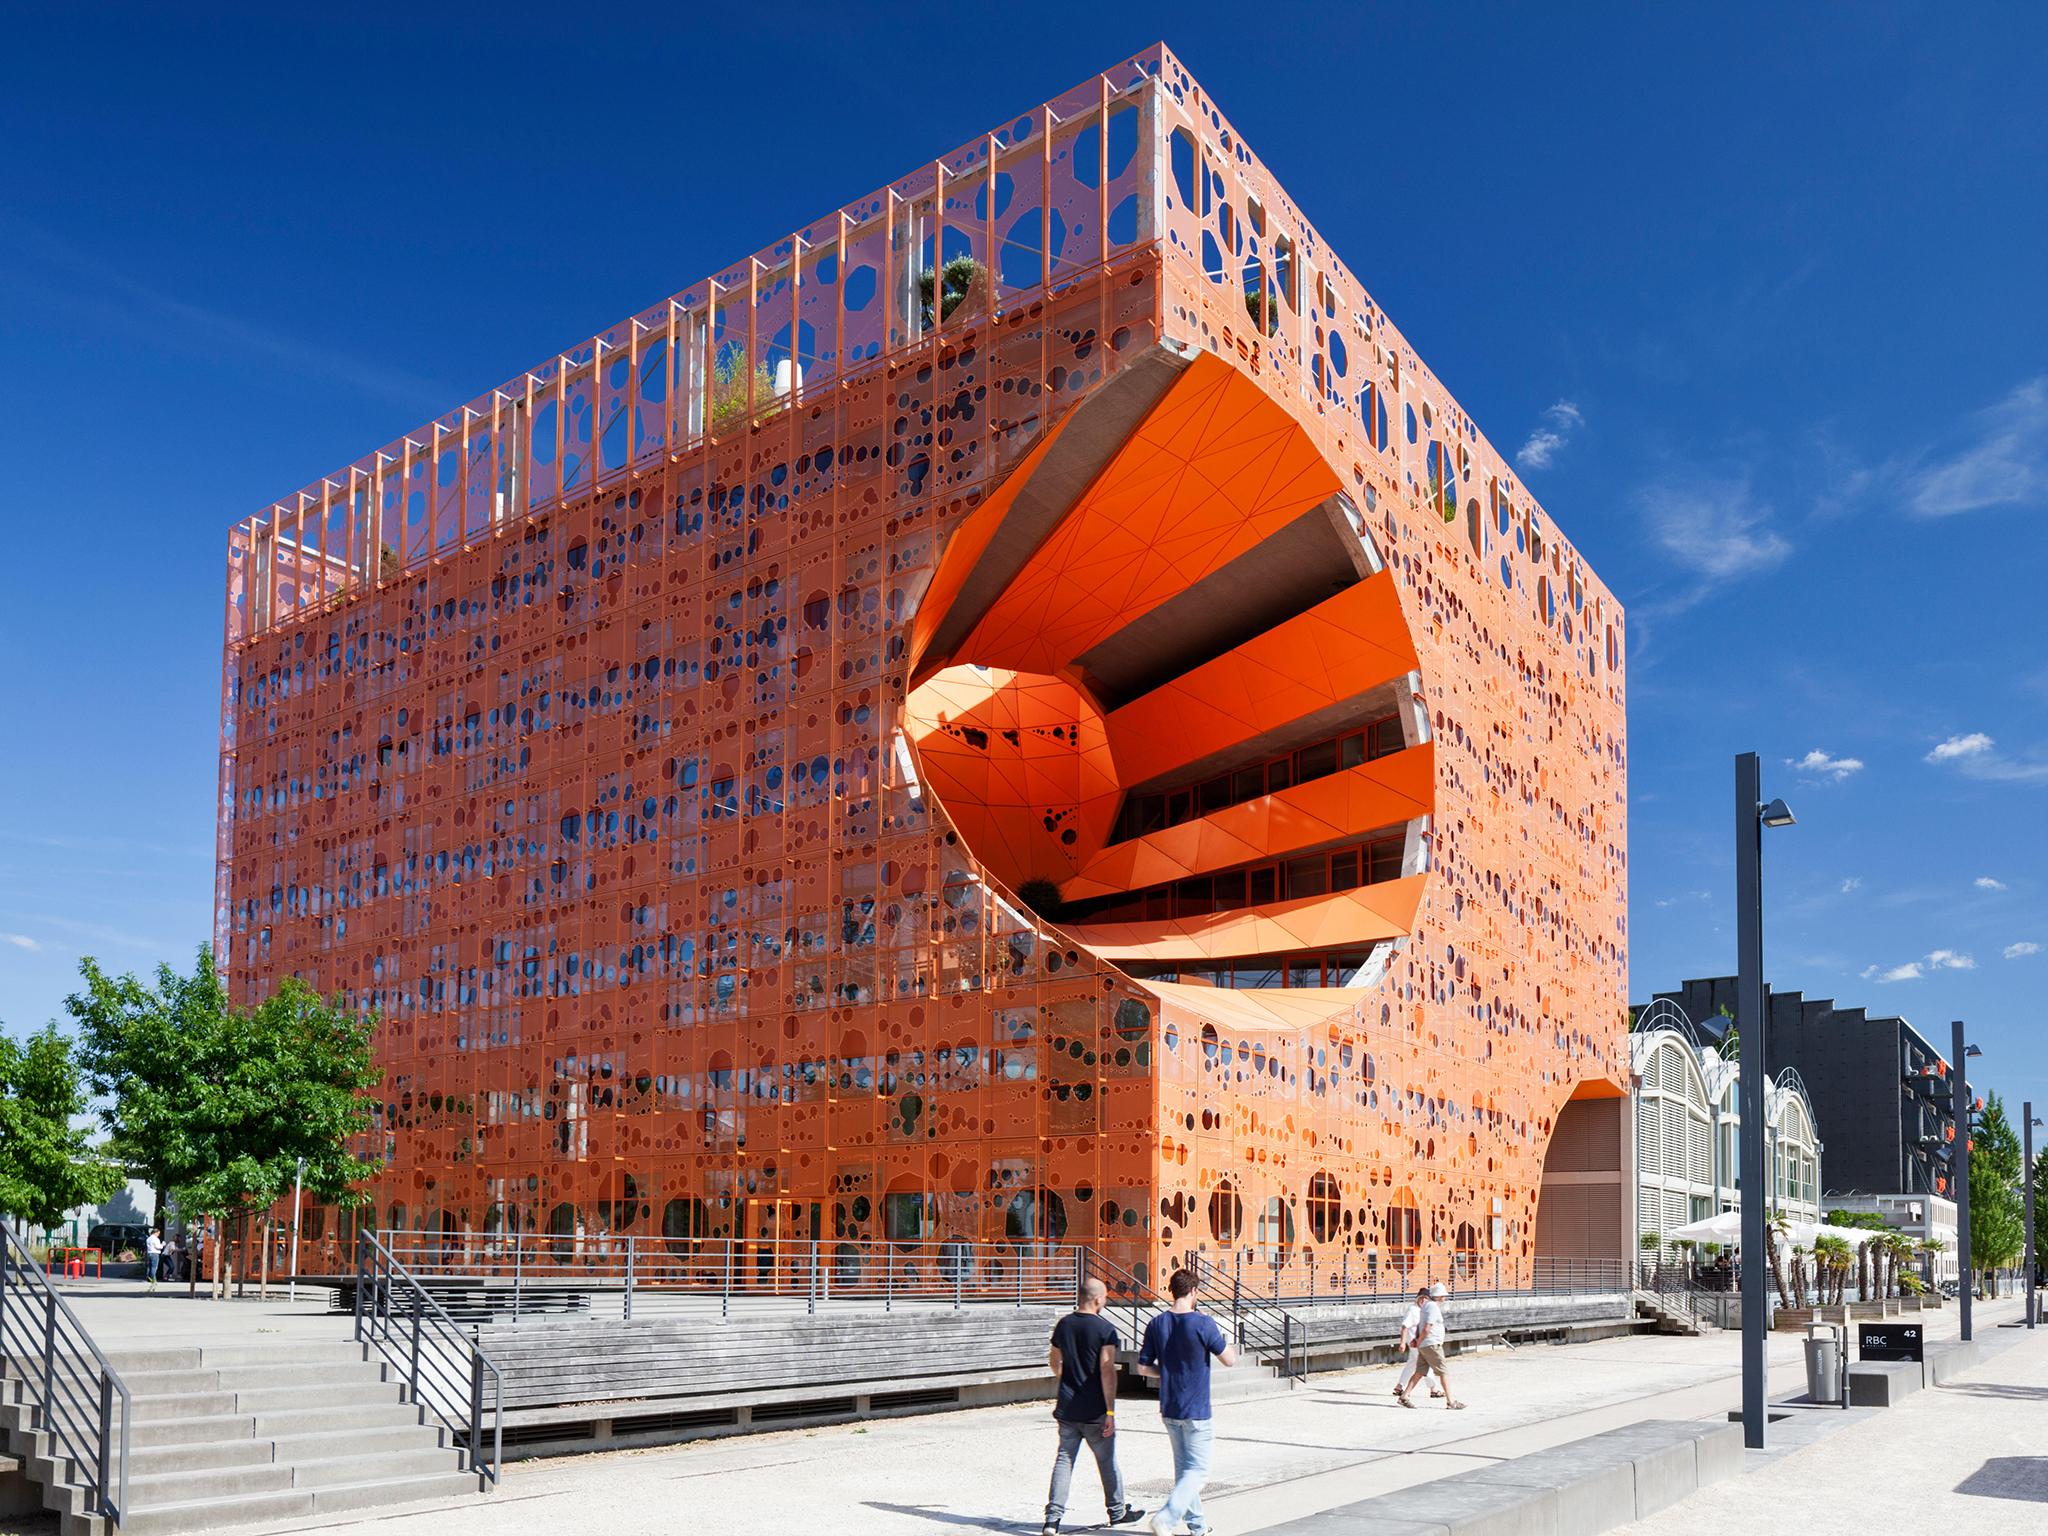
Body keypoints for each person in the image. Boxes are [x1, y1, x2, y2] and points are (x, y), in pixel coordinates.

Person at [1042, 1278, 1145, 1536]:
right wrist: (1110, 1411)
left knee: (1064, 1461)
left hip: (1067, 1409)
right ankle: (1117, 1512)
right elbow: (1106, 1370)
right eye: (1105, 1298)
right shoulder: (1105, 1330)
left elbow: (1054, 1359)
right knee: (1107, 1461)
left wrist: (1064, 1379)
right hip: (1096, 1410)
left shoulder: (1064, 1324)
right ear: (1098, 1299)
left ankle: (1052, 1521)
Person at [1138, 1268, 1237, 1536]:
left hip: (1170, 1408)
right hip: (1197, 1409)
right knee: (1199, 1473)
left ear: (1172, 1290)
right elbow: (1229, 1360)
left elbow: (1143, 1368)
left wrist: (1167, 1371)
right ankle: (1166, 1518)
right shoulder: (1203, 1323)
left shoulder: (1156, 1324)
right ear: (1194, 1291)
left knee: (1185, 1473)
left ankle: (1198, 1527)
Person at [1395, 1281, 1464, 1410]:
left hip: (1425, 1344)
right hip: (1432, 1344)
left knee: (1420, 1372)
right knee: (1443, 1372)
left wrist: (1417, 1340)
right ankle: (1451, 1402)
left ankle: (1404, 1396)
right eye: (1443, 1295)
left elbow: (1420, 1325)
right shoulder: (1433, 1307)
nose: (1445, 1297)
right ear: (1438, 1296)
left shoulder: (1426, 1306)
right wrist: (1419, 1340)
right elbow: (1427, 1327)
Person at [1392, 1284, 1446, 1401]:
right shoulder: (1413, 1310)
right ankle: (1433, 1389)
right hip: (1416, 1343)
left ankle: (1399, 1386)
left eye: (1425, 1298)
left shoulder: (1423, 1309)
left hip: (1417, 1343)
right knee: (1427, 1366)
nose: (1422, 1300)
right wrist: (1402, 1343)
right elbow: (1404, 1327)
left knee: (1411, 1364)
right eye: (1421, 1298)